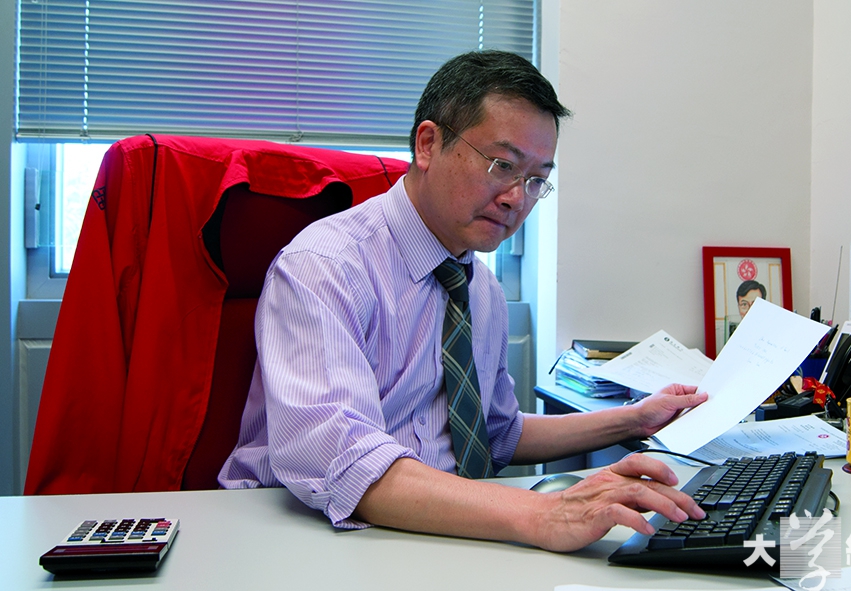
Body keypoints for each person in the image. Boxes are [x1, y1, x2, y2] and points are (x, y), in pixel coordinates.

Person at [219, 50, 707, 553]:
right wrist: (547, 513)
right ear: (429, 144)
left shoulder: (480, 288)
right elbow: (343, 461)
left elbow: (496, 432)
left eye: (536, 179)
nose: (517, 198)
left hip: (429, 528)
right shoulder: (325, 266)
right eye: (502, 165)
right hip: (303, 535)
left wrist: (635, 418)